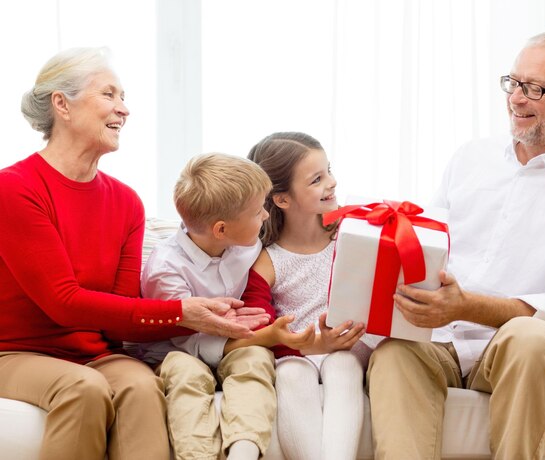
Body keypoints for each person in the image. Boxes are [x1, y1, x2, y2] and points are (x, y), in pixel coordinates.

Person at [366, 30, 545, 460]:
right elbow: (431, 246)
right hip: (443, 343)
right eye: (513, 83)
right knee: (394, 352)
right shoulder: (471, 158)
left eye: (535, 88)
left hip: (522, 349)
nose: (517, 99)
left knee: (532, 337)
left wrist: (466, 306)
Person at [0, 47, 269, 460]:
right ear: (62, 105)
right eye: (109, 95)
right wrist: (180, 312)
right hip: (16, 352)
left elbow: (127, 312)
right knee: (83, 389)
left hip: (96, 353)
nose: (123, 109)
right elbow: (62, 303)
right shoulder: (15, 189)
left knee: (144, 387)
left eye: (123, 98)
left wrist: (211, 317)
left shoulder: (125, 201)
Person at [136, 152, 314, 460]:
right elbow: (190, 343)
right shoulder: (165, 270)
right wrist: (266, 335)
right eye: (258, 212)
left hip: (234, 344)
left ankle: (243, 451)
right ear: (221, 230)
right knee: (186, 374)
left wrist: (254, 335)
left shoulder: (248, 244)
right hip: (179, 351)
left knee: (255, 358)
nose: (266, 217)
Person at [244, 131, 377, 460]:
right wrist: (305, 344)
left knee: (343, 365)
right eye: (317, 179)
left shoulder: (351, 233)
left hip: (349, 348)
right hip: (296, 355)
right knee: (290, 372)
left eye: (328, 170)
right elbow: (260, 325)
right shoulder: (266, 261)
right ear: (282, 199)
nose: (331, 183)